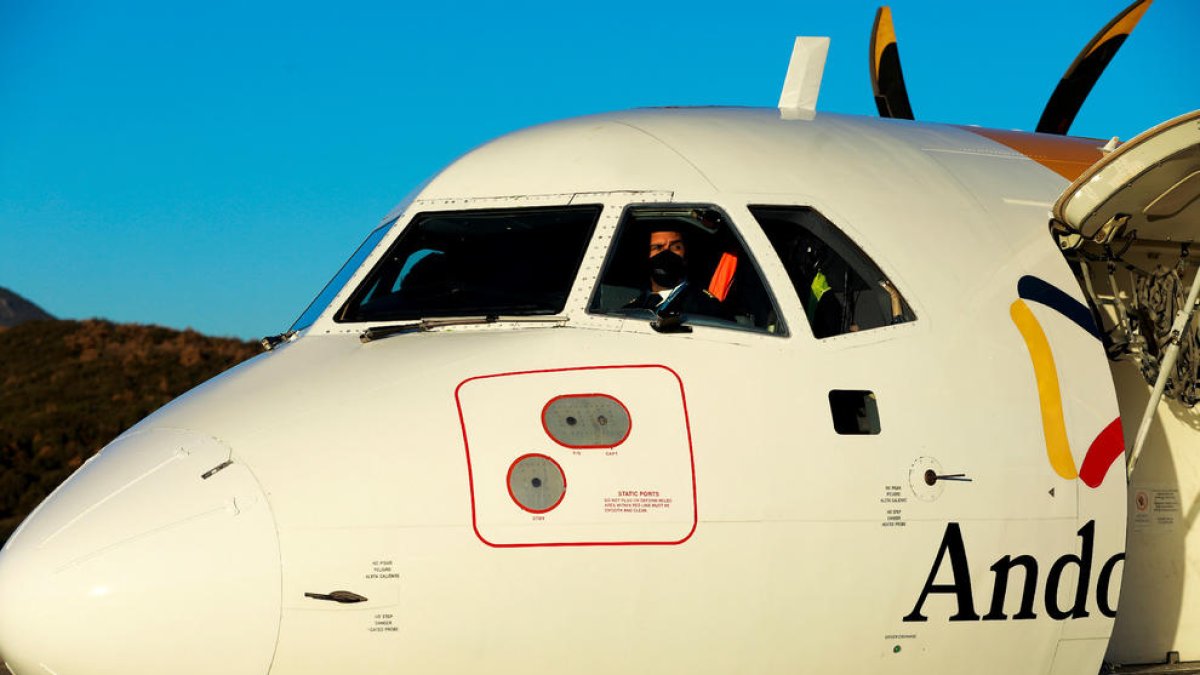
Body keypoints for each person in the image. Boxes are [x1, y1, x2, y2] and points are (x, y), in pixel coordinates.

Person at [625, 227, 727, 319]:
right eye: (657, 247)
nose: (666, 253)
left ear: (685, 255)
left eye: (676, 247)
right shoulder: (629, 310)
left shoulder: (706, 307)